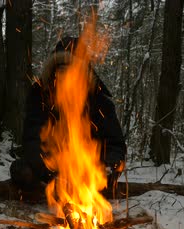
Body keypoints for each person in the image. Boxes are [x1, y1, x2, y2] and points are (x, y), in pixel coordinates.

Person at [10, 36, 126, 191]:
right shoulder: (40, 96)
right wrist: (52, 174)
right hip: (50, 169)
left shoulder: (99, 101)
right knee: (21, 170)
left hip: (89, 171)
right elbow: (32, 140)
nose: (63, 74)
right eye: (59, 68)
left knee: (104, 179)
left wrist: (104, 168)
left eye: (69, 67)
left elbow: (115, 145)